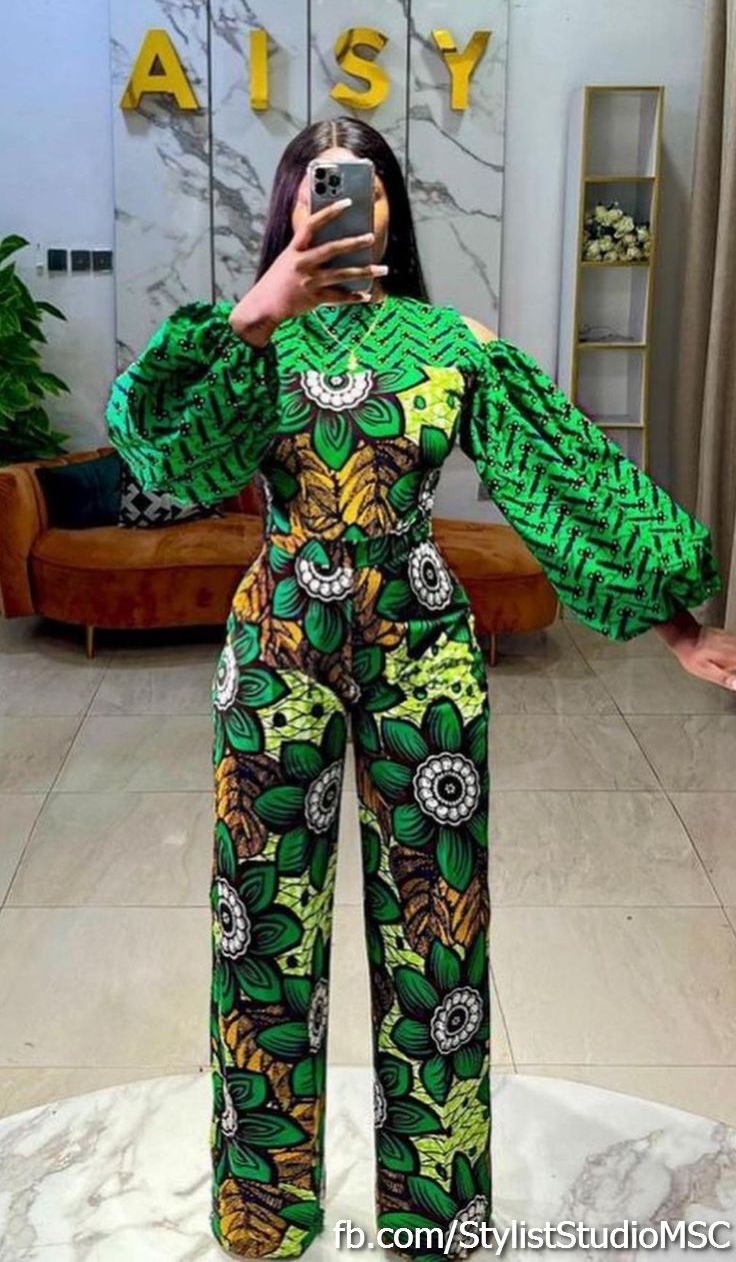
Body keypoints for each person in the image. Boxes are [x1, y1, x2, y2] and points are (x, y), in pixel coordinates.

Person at [105, 117, 736, 1262]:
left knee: (436, 930)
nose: (342, 206)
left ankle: (434, 1215)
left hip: (422, 652)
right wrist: (254, 314)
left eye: (362, 186)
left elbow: (564, 477)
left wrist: (672, 620)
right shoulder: (248, 344)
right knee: (259, 930)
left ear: (390, 206)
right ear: (291, 209)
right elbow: (160, 460)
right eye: (317, 188)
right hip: (277, 645)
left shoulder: (455, 345)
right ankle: (262, 1216)